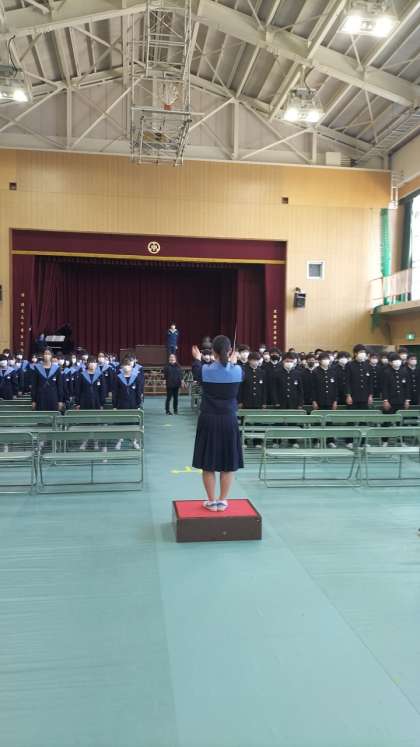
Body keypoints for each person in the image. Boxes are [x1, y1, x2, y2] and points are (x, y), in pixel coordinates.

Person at [191, 335, 243, 512]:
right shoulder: (238, 371)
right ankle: (222, 501)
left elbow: (197, 370)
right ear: (230, 351)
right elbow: (232, 369)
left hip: (209, 419)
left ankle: (211, 501)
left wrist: (197, 359)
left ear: (213, 352)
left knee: (208, 463)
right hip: (229, 419)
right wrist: (234, 362)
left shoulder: (204, 370)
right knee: (228, 463)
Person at [112, 357, 143, 451]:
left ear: (131, 366)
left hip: (133, 405)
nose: (126, 367)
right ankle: (119, 441)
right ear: (122, 367)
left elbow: (138, 392)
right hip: (121, 405)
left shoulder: (136, 377)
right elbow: (115, 392)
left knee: (134, 424)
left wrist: (138, 405)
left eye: (128, 365)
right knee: (121, 423)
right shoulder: (118, 378)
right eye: (124, 365)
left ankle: (134, 442)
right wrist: (114, 405)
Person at [311, 352, 338, 447]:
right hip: (319, 401)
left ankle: (330, 440)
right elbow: (312, 388)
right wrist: (314, 401)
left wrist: (335, 401)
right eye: (323, 359)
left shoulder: (332, 371)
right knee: (318, 421)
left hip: (330, 401)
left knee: (329, 421)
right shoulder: (315, 372)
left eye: (327, 359)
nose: (326, 361)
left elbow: (335, 388)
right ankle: (317, 441)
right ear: (319, 361)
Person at [345, 344, 373, 410]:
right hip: (353, 397)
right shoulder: (349, 365)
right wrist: (348, 395)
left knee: (364, 414)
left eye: (364, 352)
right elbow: (347, 382)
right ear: (355, 353)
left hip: (365, 397)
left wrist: (370, 395)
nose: (363, 353)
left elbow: (370, 382)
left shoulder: (368, 365)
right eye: (361, 352)